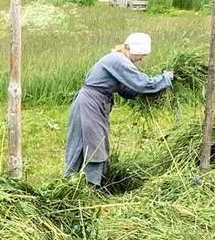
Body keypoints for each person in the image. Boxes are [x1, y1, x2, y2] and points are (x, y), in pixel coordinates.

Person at [64, 32, 173, 186]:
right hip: (90, 104)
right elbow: (142, 83)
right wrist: (165, 79)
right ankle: (85, 185)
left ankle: (84, 182)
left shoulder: (120, 61)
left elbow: (127, 90)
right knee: (93, 145)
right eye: (142, 54)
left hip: (95, 103)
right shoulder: (118, 60)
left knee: (94, 141)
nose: (142, 59)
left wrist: (146, 95)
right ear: (133, 50)